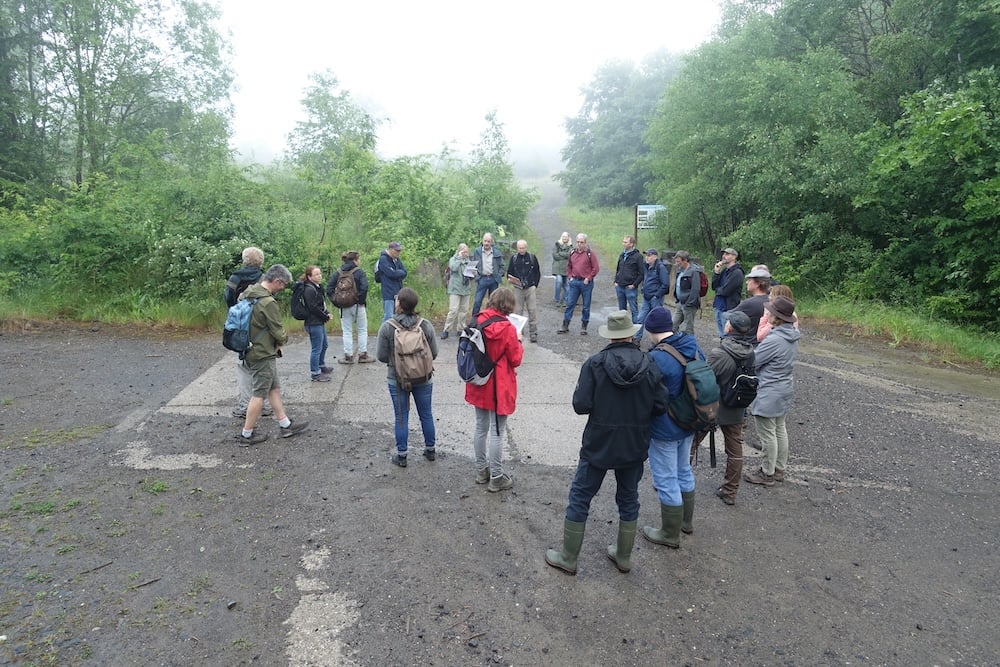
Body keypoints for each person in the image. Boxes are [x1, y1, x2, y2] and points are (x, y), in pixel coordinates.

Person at [544, 311, 668, 575]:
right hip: (634, 443)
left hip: (598, 443)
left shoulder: (595, 364)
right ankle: (623, 557)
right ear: (631, 334)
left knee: (581, 496)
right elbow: (660, 405)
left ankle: (569, 557)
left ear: (610, 336)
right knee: (629, 498)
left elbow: (581, 405)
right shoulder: (650, 364)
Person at [642, 306, 705, 548]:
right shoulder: (693, 347)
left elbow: (647, 395)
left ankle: (669, 534)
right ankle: (685, 522)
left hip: (665, 427)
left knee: (666, 477)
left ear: (651, 330)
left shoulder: (657, 358)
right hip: (690, 421)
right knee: (683, 470)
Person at [236, 264, 309, 445]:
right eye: (283, 284)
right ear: (277, 281)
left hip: (250, 347)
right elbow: (277, 330)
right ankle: (247, 435)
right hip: (262, 353)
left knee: (273, 388)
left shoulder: (248, 293)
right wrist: (283, 340)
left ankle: (285, 425)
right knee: (259, 394)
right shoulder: (268, 302)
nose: (283, 288)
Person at [690, 310, 756, 505]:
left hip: (713, 407)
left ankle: (676, 481)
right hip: (736, 406)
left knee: (690, 443)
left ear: (729, 328)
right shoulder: (750, 352)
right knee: (735, 449)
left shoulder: (720, 353)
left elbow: (705, 379)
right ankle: (730, 491)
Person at [465, 288, 523, 492]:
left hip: (478, 380)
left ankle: (481, 470)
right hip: (498, 384)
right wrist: (519, 340)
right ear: (509, 306)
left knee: (480, 427)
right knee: (497, 431)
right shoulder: (508, 328)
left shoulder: (476, 320)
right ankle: (496, 476)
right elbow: (515, 359)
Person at [375, 287, 439, 467]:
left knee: (401, 416)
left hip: (397, 379)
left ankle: (402, 455)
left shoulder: (387, 327)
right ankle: (430, 450)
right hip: (423, 377)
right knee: (426, 414)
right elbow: (434, 353)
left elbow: (381, 356)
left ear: (399, 304)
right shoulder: (425, 325)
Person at [744, 296, 800, 487]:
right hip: (784, 387)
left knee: (767, 433)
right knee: (779, 428)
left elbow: (754, 361)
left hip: (769, 389)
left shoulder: (775, 339)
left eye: (770, 311)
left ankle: (767, 473)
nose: (767, 313)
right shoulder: (792, 334)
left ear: (777, 317)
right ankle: (778, 469)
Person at [225, 246, 271, 418]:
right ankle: (264, 405)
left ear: (244, 260)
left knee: (243, 366)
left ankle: (245, 406)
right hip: (261, 327)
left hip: (241, 326)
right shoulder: (264, 278)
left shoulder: (235, 277)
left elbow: (228, 297)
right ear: (261, 261)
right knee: (263, 365)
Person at [327, 250, 375, 364]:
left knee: (347, 331)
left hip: (343, 307)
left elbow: (329, 288)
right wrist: (360, 300)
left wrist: (337, 302)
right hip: (358, 305)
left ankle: (348, 356)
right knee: (362, 330)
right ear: (355, 260)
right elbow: (364, 287)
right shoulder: (359, 272)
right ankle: (363, 355)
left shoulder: (338, 272)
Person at [558, 233, 600, 335]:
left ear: (585, 243)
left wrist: (588, 278)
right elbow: (569, 266)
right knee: (570, 304)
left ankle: (584, 326)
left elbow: (596, 268)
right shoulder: (572, 252)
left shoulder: (590, 253)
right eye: (578, 242)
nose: (579, 244)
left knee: (586, 306)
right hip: (574, 282)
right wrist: (570, 277)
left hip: (586, 283)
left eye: (581, 242)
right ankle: (565, 325)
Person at [298, 266, 334, 382]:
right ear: (309, 277)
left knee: (324, 345)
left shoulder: (317, 287)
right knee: (316, 348)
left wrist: (326, 313)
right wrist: (325, 316)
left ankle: (321, 365)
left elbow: (321, 305)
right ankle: (315, 373)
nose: (319, 276)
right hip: (313, 323)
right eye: (316, 274)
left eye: (320, 274)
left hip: (319, 321)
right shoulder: (309, 289)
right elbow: (313, 307)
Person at [506, 239, 541, 343]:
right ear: (517, 248)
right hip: (518, 289)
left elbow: (537, 272)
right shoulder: (514, 259)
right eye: (520, 248)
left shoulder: (532, 258)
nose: (521, 250)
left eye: (523, 248)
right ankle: (518, 333)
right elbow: (509, 273)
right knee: (518, 312)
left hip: (530, 288)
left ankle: (533, 333)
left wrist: (535, 285)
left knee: (532, 311)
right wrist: (512, 280)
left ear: (526, 247)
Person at [636, 248, 670, 344]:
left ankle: (657, 341)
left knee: (656, 320)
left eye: (649, 255)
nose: (647, 257)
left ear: (655, 257)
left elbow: (665, 284)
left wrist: (657, 295)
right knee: (640, 318)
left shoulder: (660, 267)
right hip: (646, 297)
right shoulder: (646, 266)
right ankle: (636, 339)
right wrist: (643, 289)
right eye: (646, 255)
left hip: (655, 299)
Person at [441, 243, 474, 340]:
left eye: (466, 252)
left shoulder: (468, 261)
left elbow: (470, 276)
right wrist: (459, 258)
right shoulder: (453, 259)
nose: (465, 253)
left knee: (464, 310)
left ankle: (460, 329)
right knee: (453, 310)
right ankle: (446, 330)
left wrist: (473, 273)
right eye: (463, 251)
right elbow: (453, 268)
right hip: (455, 288)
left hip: (465, 289)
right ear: (459, 251)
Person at [711, 248, 745, 338]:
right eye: (724, 254)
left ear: (734, 257)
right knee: (721, 334)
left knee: (728, 335)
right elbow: (714, 286)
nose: (724, 256)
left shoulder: (737, 272)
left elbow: (726, 291)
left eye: (727, 254)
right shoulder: (724, 271)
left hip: (729, 308)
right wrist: (716, 273)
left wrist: (718, 290)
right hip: (719, 306)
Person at [732, 266, 772, 339]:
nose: (747, 282)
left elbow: (729, 316)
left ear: (757, 284)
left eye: (749, 280)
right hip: (765, 341)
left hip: (749, 342)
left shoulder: (749, 303)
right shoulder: (772, 301)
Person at [471, 233, 505, 316]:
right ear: (482, 241)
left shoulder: (496, 252)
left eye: (488, 241)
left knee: (494, 302)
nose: (486, 243)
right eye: (485, 241)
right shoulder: (477, 251)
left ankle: (492, 319)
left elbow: (502, 266)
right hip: (482, 278)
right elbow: (472, 265)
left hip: (493, 279)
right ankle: (474, 320)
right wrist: (476, 275)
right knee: (477, 301)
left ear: (491, 242)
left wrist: (499, 275)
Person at [672, 251, 703, 336]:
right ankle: (673, 341)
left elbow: (696, 289)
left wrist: (689, 303)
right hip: (680, 302)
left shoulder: (694, 271)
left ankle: (689, 342)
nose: (677, 263)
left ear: (685, 260)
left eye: (678, 261)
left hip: (689, 305)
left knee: (688, 328)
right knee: (673, 324)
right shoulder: (680, 270)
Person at [614, 235, 644, 323]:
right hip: (620, 286)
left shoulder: (638, 256)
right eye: (623, 242)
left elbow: (642, 273)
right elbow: (618, 269)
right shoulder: (622, 255)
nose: (623, 244)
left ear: (631, 244)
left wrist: (634, 285)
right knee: (621, 311)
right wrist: (616, 281)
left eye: (625, 242)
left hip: (630, 288)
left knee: (634, 310)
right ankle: (623, 329)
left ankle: (636, 329)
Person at [377, 241, 407, 323]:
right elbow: (391, 274)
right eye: (397, 250)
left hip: (398, 291)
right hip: (388, 292)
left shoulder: (397, 260)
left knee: (398, 315)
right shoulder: (383, 259)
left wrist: (397, 272)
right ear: (390, 249)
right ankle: (384, 331)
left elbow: (405, 272)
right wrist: (398, 273)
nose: (398, 252)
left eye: (399, 250)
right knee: (388, 316)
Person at [551, 232, 572, 307]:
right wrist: (565, 255)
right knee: (559, 282)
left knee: (567, 285)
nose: (564, 238)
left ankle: (565, 301)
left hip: (566, 269)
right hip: (557, 268)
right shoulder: (557, 244)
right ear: (561, 237)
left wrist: (560, 253)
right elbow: (555, 256)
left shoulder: (571, 246)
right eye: (563, 236)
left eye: (566, 237)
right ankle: (557, 299)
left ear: (568, 238)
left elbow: (570, 255)